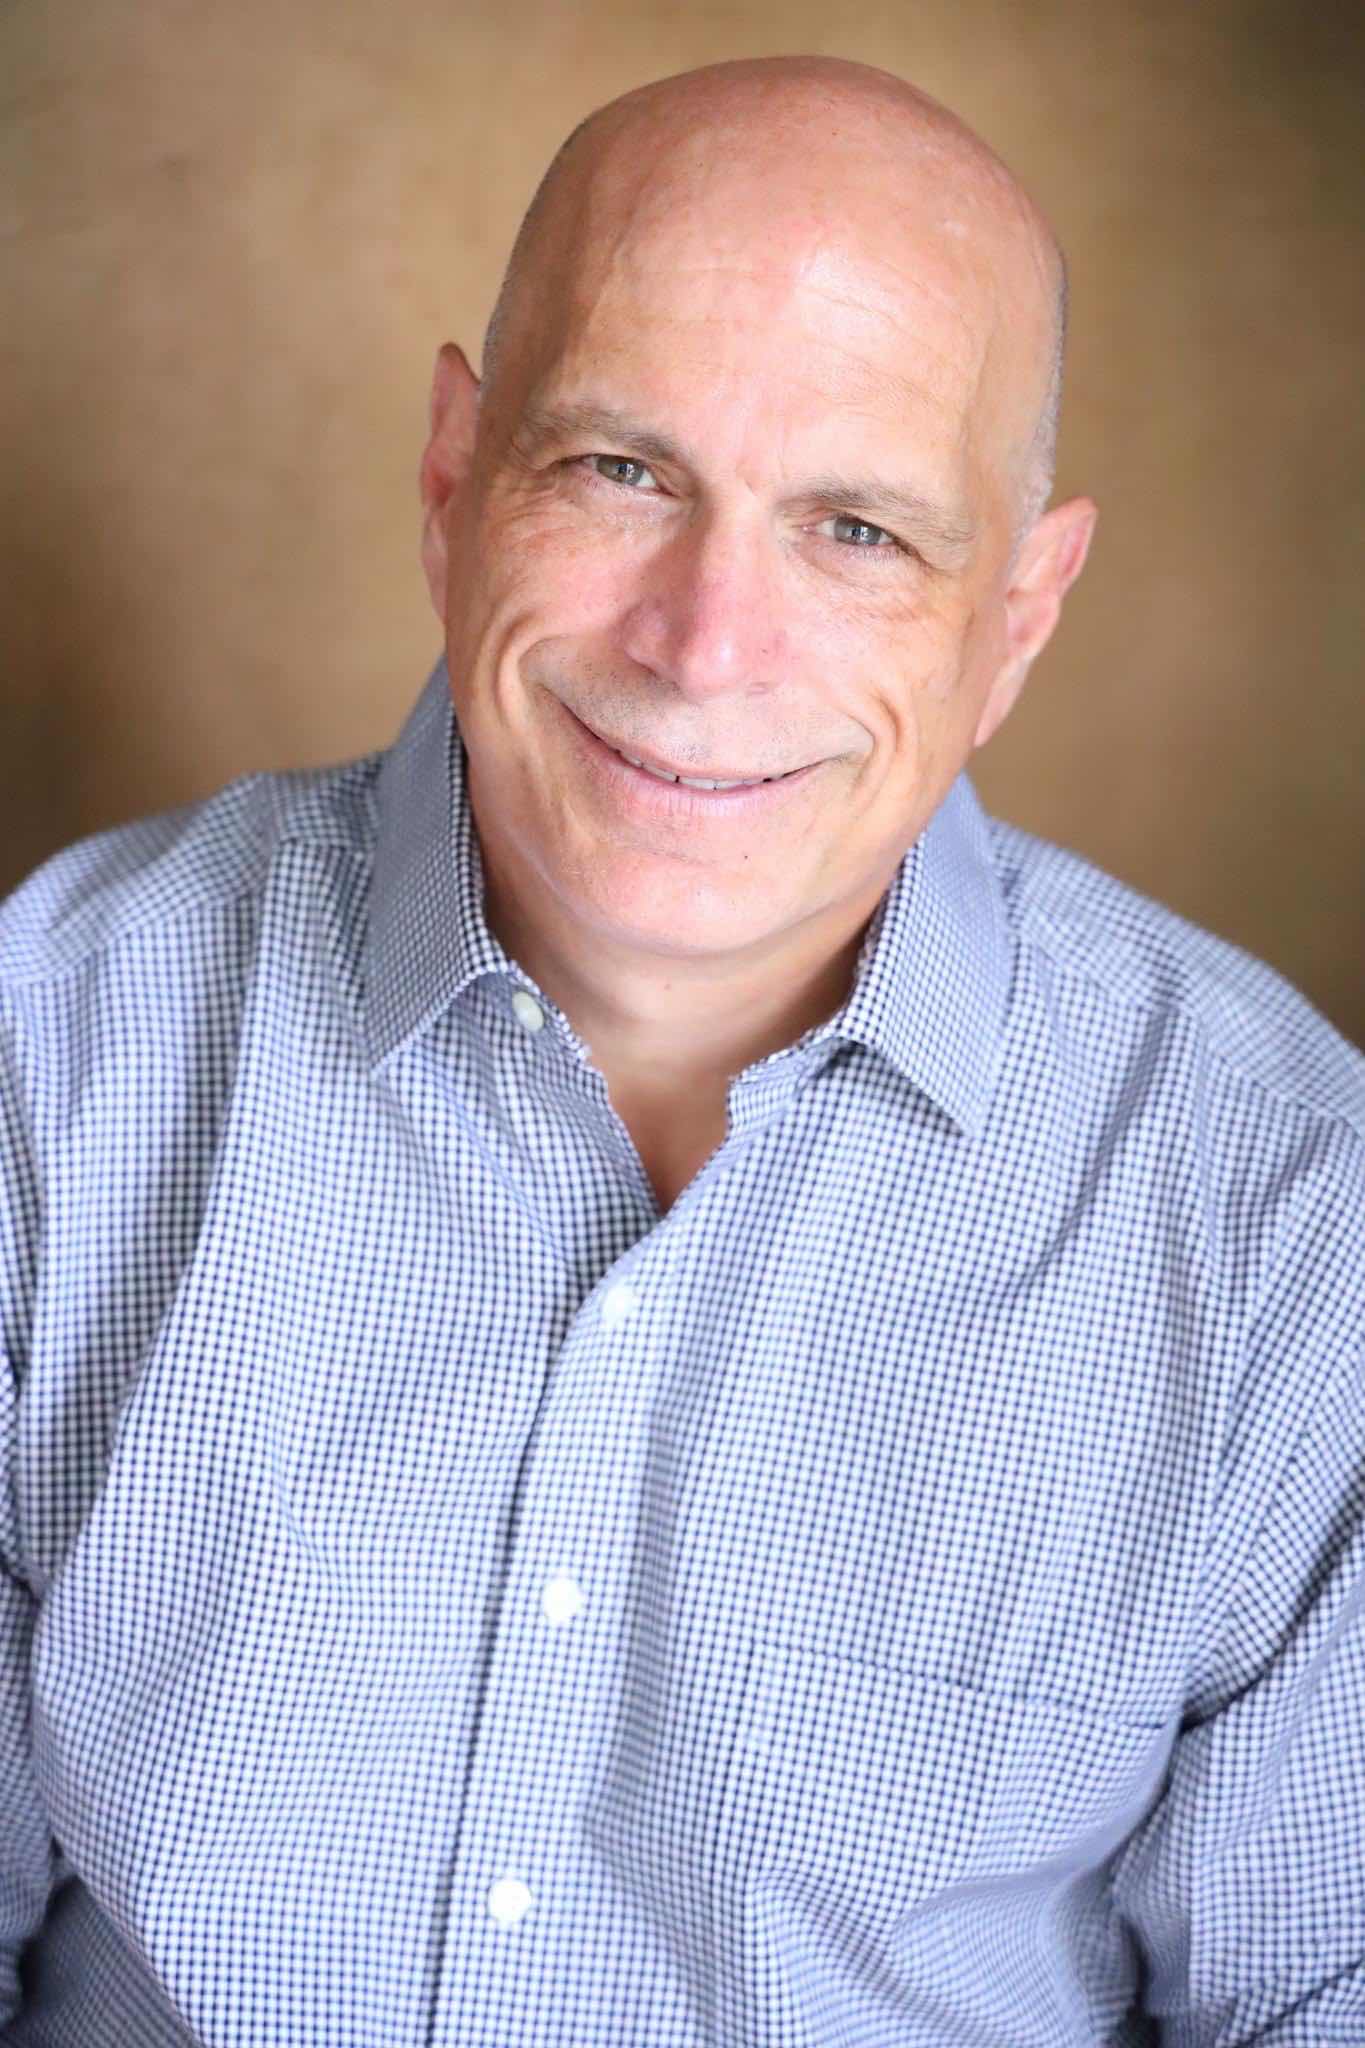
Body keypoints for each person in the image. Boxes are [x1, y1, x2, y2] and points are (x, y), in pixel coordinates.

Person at [0, 51, 1361, 2048]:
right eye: (618, 471)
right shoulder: (51, 1060)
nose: (704, 643)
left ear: (1016, 616)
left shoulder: (1285, 1230)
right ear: (454, 479)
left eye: (857, 530)